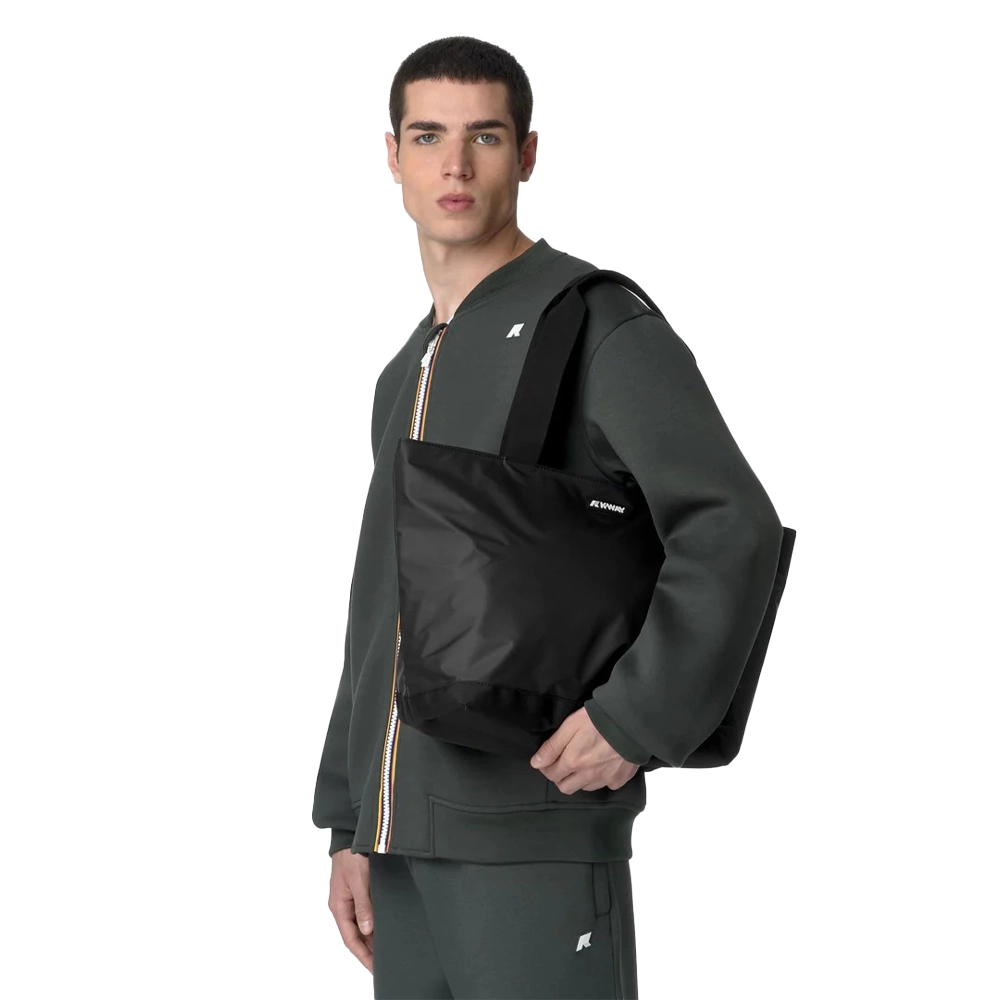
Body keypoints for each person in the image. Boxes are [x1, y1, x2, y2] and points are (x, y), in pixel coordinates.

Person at [312, 35, 786, 1000]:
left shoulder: (596, 323)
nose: (455, 164)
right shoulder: (405, 369)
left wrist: (636, 716)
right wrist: (352, 823)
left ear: (526, 154)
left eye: (484, 136)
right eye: (428, 136)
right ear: (391, 156)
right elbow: (381, 608)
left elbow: (728, 523)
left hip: (532, 834)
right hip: (403, 850)